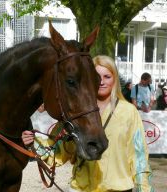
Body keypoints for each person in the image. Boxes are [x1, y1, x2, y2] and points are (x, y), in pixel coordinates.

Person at [22, 55, 153, 192]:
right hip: (81, 188)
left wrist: (143, 189)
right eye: (96, 76)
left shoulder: (129, 112)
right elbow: (58, 151)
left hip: (117, 189)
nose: (101, 82)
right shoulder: (75, 111)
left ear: (115, 80)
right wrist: (33, 142)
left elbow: (139, 158)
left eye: (107, 77)